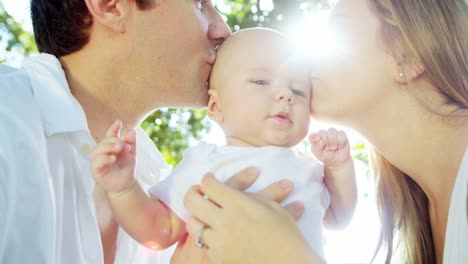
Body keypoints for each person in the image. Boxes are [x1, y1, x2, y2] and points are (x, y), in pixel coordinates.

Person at [181, 0, 468, 263]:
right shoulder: (422, 222)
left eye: (337, 30)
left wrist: (284, 254)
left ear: (407, 56)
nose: (301, 61)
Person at [0, 0, 265, 263]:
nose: (222, 30)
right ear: (111, 6)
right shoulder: (8, 118)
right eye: (199, 4)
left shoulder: (161, 191)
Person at [90, 28, 357, 262]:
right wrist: (125, 189)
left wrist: (339, 167)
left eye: (298, 91)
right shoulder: (205, 162)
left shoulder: (309, 167)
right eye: (261, 81)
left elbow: (337, 217)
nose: (285, 94)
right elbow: (160, 230)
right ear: (216, 106)